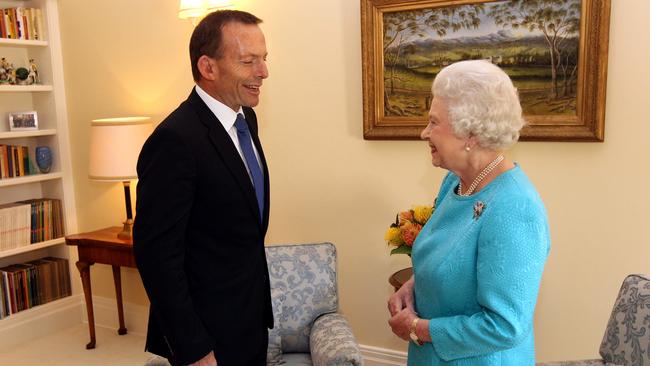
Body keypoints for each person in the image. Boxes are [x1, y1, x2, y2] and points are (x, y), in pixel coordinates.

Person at [387, 60, 550, 365]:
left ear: (471, 133)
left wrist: (416, 328)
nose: (424, 132)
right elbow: (451, 265)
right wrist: (412, 288)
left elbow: (505, 326)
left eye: (434, 122)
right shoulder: (455, 182)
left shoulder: (516, 208)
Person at [133, 10, 271, 366]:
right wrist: (193, 348)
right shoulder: (174, 140)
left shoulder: (245, 118)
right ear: (207, 67)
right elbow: (157, 258)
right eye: (248, 61)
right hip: (206, 336)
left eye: (264, 59)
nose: (263, 72)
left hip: (249, 320)